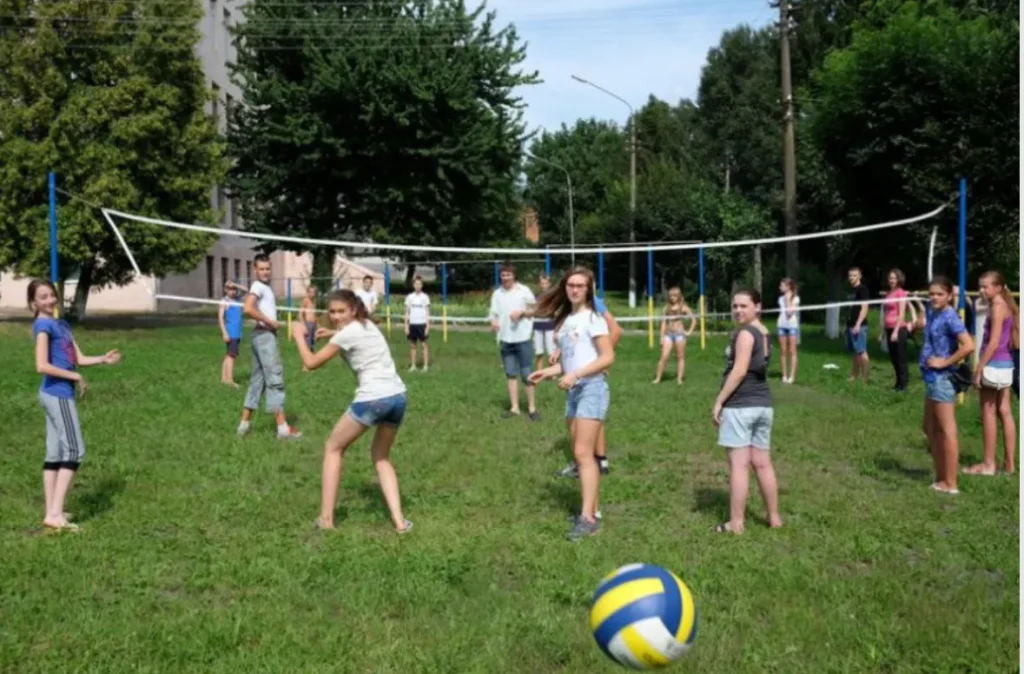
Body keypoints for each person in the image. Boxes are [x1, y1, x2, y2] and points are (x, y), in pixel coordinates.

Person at [290, 290, 412, 533]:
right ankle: (400, 523)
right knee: (381, 457)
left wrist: (298, 336)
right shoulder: (367, 325)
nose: (336, 316)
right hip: (398, 397)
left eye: (341, 311)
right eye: (332, 312)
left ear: (354, 310)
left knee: (333, 448)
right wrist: (331, 333)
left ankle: (326, 520)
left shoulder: (347, 334)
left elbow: (311, 363)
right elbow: (351, 335)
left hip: (373, 398)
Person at [28, 279, 121, 532]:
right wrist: (75, 376)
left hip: (56, 394)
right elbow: (41, 366)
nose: (49, 300)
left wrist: (103, 359)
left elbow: (77, 358)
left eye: (51, 295)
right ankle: (56, 514)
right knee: (75, 451)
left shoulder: (62, 325)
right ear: (33, 303)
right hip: (56, 394)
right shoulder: (43, 326)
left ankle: (52, 511)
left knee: (56, 453)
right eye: (43, 297)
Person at [529, 267, 615, 541]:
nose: (574, 289)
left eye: (580, 285)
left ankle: (588, 519)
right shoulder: (567, 321)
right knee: (582, 455)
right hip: (574, 391)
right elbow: (571, 362)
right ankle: (592, 511)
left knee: (582, 454)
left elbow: (607, 357)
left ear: (589, 289)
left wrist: (576, 375)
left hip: (592, 389)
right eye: (570, 285)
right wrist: (547, 372)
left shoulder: (594, 319)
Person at [711, 288, 781, 534]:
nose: (738, 310)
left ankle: (736, 523)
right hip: (763, 406)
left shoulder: (746, 334)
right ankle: (774, 518)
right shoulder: (764, 332)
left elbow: (739, 371)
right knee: (763, 464)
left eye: (744, 306)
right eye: (735, 306)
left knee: (739, 466)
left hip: (741, 406)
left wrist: (719, 401)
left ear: (757, 307)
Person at [553, 293, 622, 480]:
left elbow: (616, 331)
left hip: (589, 380)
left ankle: (597, 462)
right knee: (584, 426)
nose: (575, 289)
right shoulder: (570, 309)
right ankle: (593, 463)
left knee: (590, 424)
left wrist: (600, 361)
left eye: (581, 285)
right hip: (575, 382)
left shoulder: (593, 304)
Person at [237, 254, 303, 440]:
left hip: (260, 336)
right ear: (255, 269)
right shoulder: (258, 286)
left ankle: (243, 426)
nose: (265, 272)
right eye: (261, 269)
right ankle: (283, 429)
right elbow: (248, 309)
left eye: (268, 268)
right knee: (275, 379)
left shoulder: (263, 287)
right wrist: (269, 322)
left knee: (257, 382)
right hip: (265, 337)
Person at [920, 276, 974, 495]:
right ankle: (941, 475)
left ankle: (950, 482)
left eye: (940, 294)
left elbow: (968, 345)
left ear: (949, 296)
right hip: (931, 378)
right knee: (929, 427)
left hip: (942, 379)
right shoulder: (934, 313)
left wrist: (944, 362)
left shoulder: (950, 317)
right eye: (931, 293)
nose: (934, 297)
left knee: (946, 430)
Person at [964, 271, 1018, 476]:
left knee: (988, 412)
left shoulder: (997, 307)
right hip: (1006, 364)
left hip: (993, 365)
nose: (981, 290)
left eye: (985, 286)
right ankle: (1010, 465)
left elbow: (993, 342)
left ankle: (988, 465)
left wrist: (979, 369)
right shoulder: (1005, 305)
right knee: (1005, 411)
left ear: (998, 288)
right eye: (980, 286)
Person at [488, 263, 539, 420]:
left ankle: (532, 408)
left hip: (523, 338)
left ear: (514, 276)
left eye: (508, 275)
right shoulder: (497, 294)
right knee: (510, 374)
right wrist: (493, 322)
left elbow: (535, 309)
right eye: (503, 275)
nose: (505, 278)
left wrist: (522, 313)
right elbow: (493, 313)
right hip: (505, 339)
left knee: (526, 374)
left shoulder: (524, 291)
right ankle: (514, 408)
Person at [652, 286, 696, 385]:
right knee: (664, 356)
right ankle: (658, 378)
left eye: (675, 296)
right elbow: (664, 323)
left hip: (680, 335)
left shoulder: (683, 308)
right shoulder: (666, 308)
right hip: (668, 334)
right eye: (671, 296)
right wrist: (661, 337)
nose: (672, 298)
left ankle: (679, 379)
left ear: (679, 296)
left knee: (680, 356)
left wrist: (689, 332)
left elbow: (693, 320)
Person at [883, 269, 911, 392]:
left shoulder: (900, 293)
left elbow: (902, 314)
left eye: (894, 278)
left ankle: (903, 385)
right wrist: (882, 331)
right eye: (890, 278)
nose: (892, 280)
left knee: (900, 357)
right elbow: (885, 312)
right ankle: (898, 383)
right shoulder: (888, 293)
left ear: (899, 279)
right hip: (888, 328)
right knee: (893, 357)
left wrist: (895, 331)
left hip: (899, 329)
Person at [845, 267, 871, 382]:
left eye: (854, 275)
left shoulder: (863, 289)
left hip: (859, 325)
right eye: (850, 275)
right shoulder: (851, 290)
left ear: (859, 276)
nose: (851, 277)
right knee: (854, 352)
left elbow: (865, 307)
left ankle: (864, 378)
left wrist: (858, 324)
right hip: (850, 325)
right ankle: (854, 375)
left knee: (862, 351)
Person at [218, 281, 244, 387]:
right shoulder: (225, 301)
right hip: (231, 333)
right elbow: (220, 318)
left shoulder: (238, 299)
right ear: (225, 290)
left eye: (234, 289)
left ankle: (224, 379)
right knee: (231, 356)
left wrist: (235, 284)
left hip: (237, 333)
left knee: (228, 355)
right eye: (230, 289)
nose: (232, 291)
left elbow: (247, 290)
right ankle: (230, 380)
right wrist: (224, 333)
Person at [403, 275, 430, 372]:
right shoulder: (409, 297)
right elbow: (406, 312)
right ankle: (413, 365)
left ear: (422, 285)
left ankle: (425, 366)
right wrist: (406, 325)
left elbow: (427, 313)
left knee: (424, 345)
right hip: (412, 324)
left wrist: (427, 326)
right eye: (416, 284)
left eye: (419, 284)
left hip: (422, 324)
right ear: (413, 285)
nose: (418, 286)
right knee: (412, 345)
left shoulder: (425, 297)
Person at [776, 278, 800, 384]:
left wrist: (788, 299)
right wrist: (785, 299)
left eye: (782, 285)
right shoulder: (780, 299)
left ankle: (792, 376)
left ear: (788, 287)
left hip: (792, 326)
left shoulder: (796, 299)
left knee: (792, 351)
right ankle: (784, 375)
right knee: (783, 351)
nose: (780, 287)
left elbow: (790, 313)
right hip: (781, 326)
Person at [532, 274, 557, 373]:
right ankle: (539, 371)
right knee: (538, 349)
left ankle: (552, 372)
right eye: (542, 283)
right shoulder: (535, 296)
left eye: (546, 283)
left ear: (549, 284)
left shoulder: (553, 296)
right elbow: (533, 309)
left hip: (549, 324)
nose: (544, 285)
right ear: (539, 284)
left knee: (551, 349)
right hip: (537, 324)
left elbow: (554, 310)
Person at [299, 285, 318, 350]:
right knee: (307, 344)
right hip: (308, 324)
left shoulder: (314, 301)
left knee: (313, 343)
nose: (312, 294)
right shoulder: (306, 300)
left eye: (313, 292)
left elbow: (314, 313)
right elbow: (300, 314)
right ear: (308, 292)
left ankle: (312, 354)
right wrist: (303, 325)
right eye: (310, 292)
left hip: (314, 324)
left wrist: (316, 324)